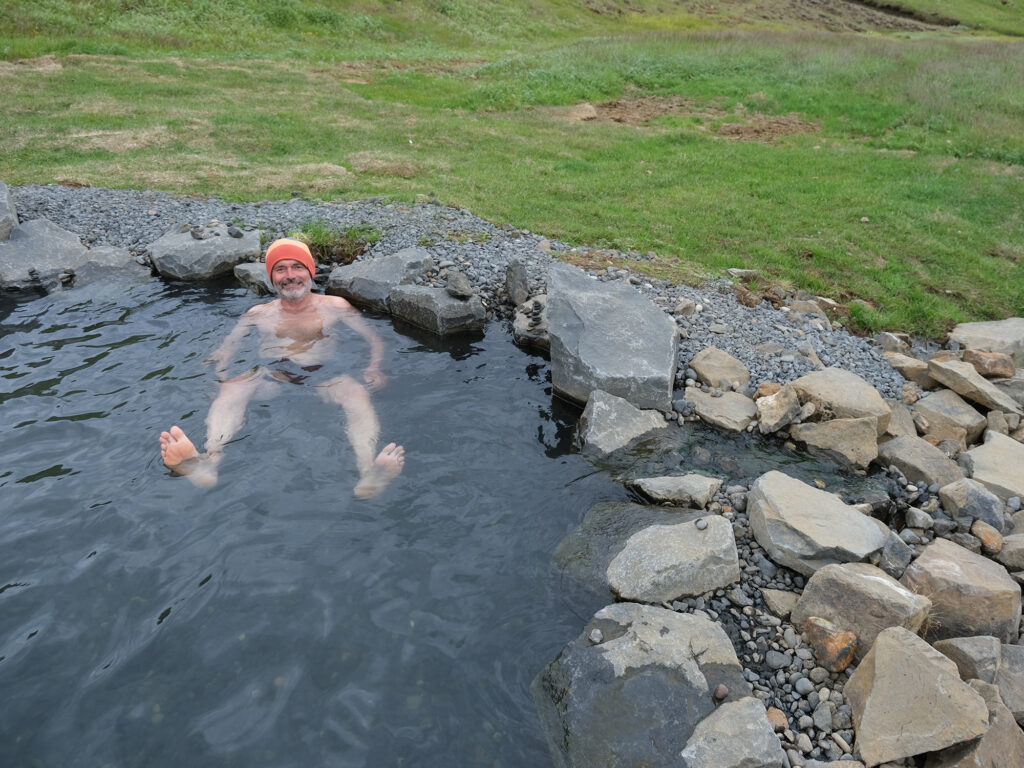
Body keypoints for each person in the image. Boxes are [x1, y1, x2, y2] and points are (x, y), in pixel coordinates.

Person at [159, 238, 405, 498]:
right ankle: (208, 461)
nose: (290, 276)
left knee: (357, 394)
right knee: (232, 389)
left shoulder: (336, 307)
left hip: (324, 375)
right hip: (273, 375)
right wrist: (219, 376)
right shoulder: (257, 314)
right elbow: (226, 349)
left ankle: (368, 471)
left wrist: (374, 367)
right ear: (271, 277)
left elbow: (374, 339)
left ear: (310, 271)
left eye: (297, 267)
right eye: (280, 269)